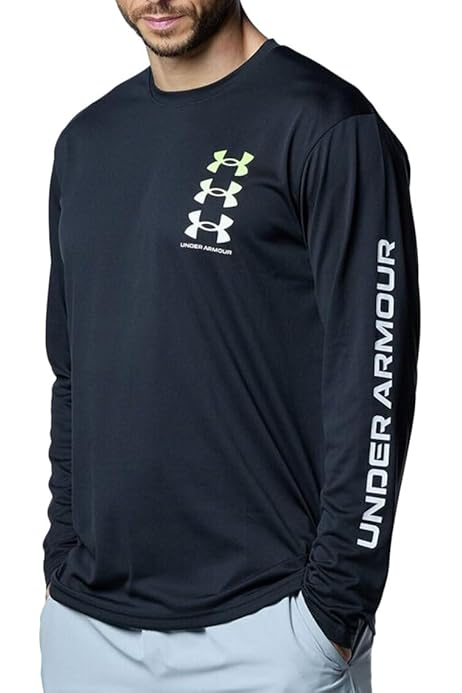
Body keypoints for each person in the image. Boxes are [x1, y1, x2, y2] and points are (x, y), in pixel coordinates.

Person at [39, 1, 420, 691]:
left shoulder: (327, 126)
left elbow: (375, 376)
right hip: (89, 629)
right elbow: (72, 375)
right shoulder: (85, 142)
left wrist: (336, 607)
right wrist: (61, 554)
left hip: (266, 629)